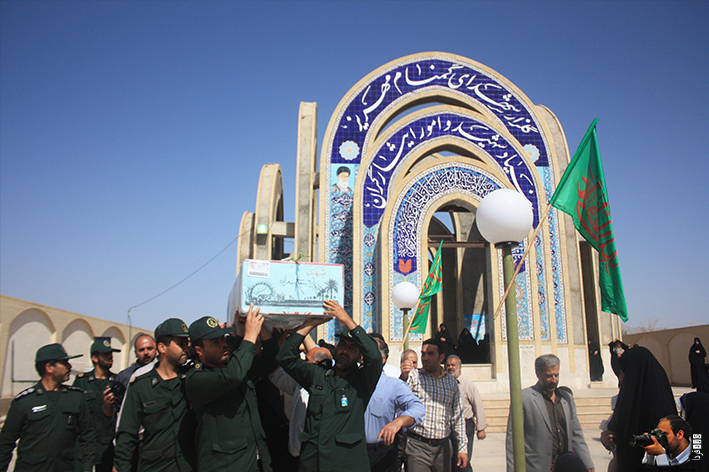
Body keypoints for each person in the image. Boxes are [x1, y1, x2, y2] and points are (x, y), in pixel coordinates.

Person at [276, 299, 382, 472]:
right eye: (342, 345)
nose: (345, 351)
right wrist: (308, 325)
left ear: (360, 356)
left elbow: (375, 357)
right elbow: (285, 357)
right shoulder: (318, 375)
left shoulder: (362, 382)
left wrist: (346, 319)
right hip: (312, 463)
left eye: (352, 348)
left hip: (345, 465)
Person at [185, 305, 278, 471]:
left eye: (222, 338)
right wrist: (249, 336)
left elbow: (271, 359)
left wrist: (260, 327)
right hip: (224, 466)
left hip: (255, 462)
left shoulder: (235, 367)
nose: (223, 344)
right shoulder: (196, 379)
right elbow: (232, 375)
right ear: (199, 350)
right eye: (215, 342)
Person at [113, 318, 196, 472]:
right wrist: (120, 467)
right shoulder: (140, 386)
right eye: (181, 344)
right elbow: (127, 434)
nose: (186, 349)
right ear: (162, 347)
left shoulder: (192, 379)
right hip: (155, 467)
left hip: (188, 466)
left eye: (187, 344)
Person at [0, 343, 96, 472]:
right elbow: (5, 443)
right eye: (65, 363)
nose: (70, 366)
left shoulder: (76, 398)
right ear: (49, 367)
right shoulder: (25, 402)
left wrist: (87, 468)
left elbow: (88, 437)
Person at [506, 354, 594, 472]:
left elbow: (576, 434)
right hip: (537, 467)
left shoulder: (566, 398)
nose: (554, 380)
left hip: (565, 466)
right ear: (538, 374)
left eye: (556, 375)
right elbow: (513, 440)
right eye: (549, 376)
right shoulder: (524, 399)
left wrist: (587, 463)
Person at [601, 346, 677, 472]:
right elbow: (616, 437)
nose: (621, 378)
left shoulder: (659, 410)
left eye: (625, 373)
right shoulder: (632, 403)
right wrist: (609, 439)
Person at [400, 338, 468, 472]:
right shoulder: (414, 376)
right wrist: (403, 377)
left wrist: (462, 448)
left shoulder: (450, 382)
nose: (425, 358)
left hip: (442, 447)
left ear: (441, 357)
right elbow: (399, 400)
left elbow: (457, 417)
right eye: (423, 354)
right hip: (418, 446)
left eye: (430, 354)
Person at [365, 334, 425, 472]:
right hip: (355, 452)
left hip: (382, 454)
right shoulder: (351, 382)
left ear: (382, 359)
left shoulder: (393, 385)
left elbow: (418, 408)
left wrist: (399, 422)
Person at [268, 334, 333, 460]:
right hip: (297, 453)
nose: (303, 364)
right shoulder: (301, 383)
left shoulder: (331, 387)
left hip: (316, 456)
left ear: (316, 363)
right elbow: (277, 376)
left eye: (307, 360)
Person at [73, 337, 121, 472]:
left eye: (111, 354)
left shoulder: (116, 382)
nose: (110, 357)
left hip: (106, 443)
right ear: (95, 358)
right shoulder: (82, 382)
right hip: (83, 444)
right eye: (105, 354)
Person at [445, 355, 487, 472]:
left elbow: (478, 406)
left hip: (465, 425)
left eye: (453, 365)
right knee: (450, 460)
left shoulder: (468, 385)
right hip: (448, 426)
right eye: (448, 365)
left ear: (459, 368)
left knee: (463, 459)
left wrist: (481, 428)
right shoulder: (443, 384)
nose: (450, 367)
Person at [398, 349, 420, 472]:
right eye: (408, 362)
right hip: (400, 435)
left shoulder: (423, 383)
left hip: (416, 438)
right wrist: (404, 376)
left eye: (414, 363)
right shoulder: (397, 382)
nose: (412, 366)